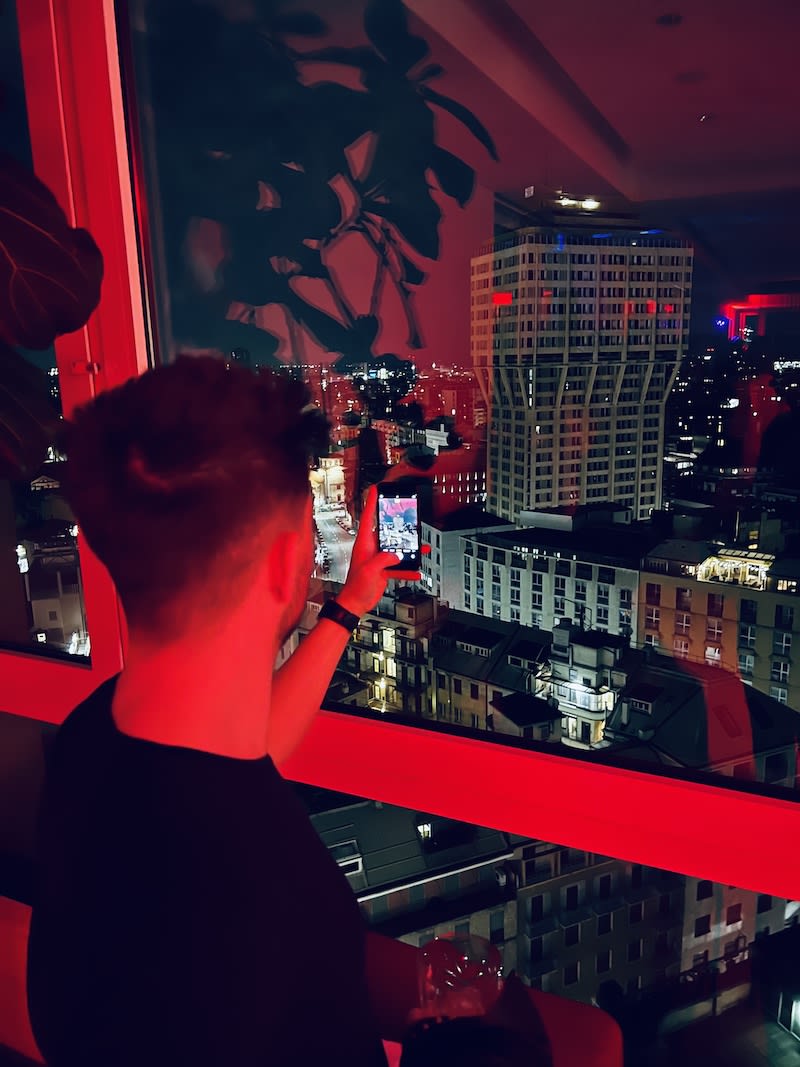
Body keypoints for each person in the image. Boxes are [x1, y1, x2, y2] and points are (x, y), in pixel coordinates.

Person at [27, 356, 400, 1066]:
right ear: (286, 560)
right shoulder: (267, 911)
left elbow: (247, 750)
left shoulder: (98, 737)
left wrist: (346, 610)